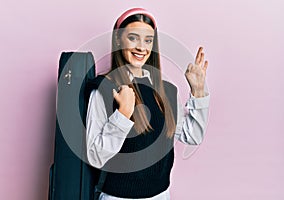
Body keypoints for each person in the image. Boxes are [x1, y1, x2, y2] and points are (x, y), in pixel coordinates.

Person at [85, 7, 210, 200]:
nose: (141, 47)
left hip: (161, 195)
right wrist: (122, 116)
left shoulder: (167, 91)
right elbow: (95, 157)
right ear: (118, 39)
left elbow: (191, 136)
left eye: (148, 40)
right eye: (133, 38)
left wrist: (198, 92)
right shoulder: (104, 88)